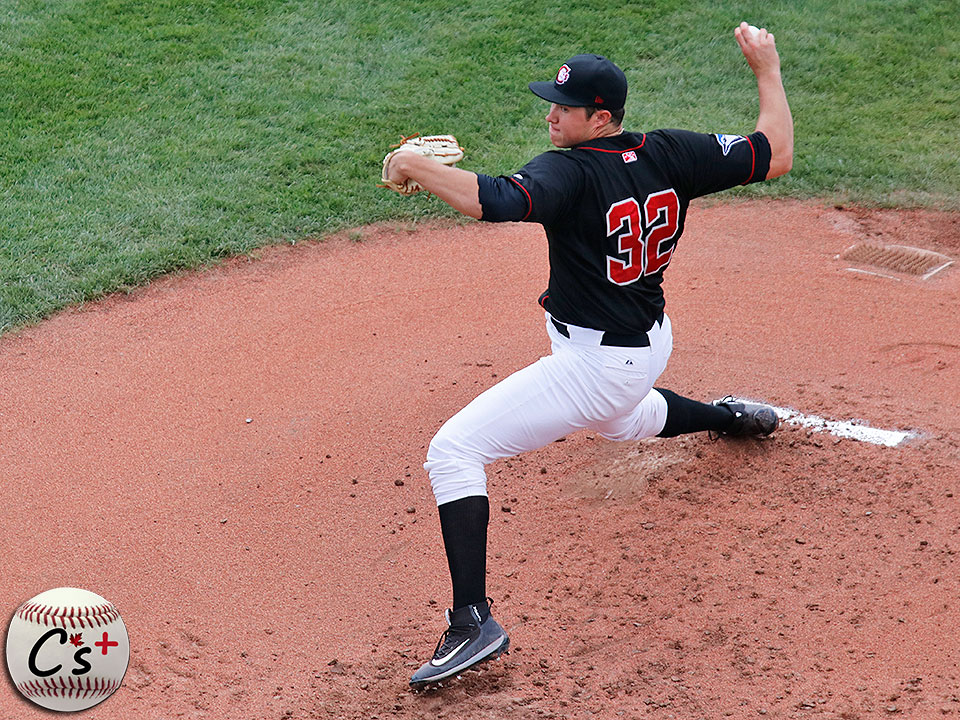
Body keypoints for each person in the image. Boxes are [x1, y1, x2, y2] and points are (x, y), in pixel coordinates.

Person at [384, 22, 794, 688]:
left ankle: (471, 620)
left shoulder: (570, 173)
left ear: (600, 117)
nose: (550, 114)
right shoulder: (669, 152)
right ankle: (728, 419)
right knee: (624, 419)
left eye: (563, 107)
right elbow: (774, 154)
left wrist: (412, 165)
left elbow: (494, 200)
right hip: (650, 341)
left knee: (453, 451)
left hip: (595, 367)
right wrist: (767, 69)